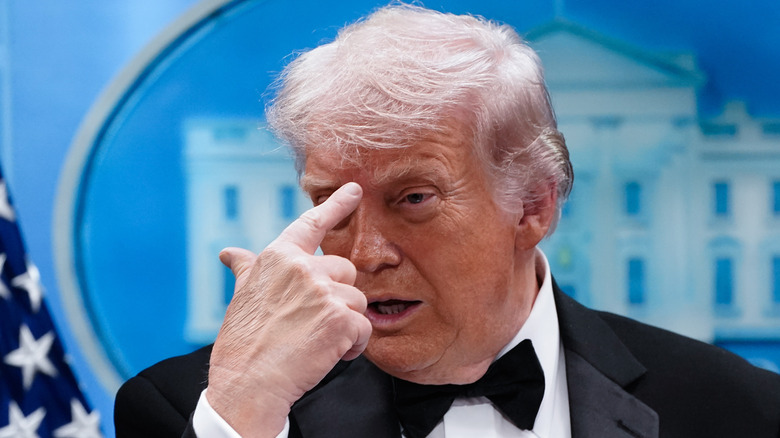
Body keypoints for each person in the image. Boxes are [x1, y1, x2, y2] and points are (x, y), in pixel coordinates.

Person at [114, 4, 780, 438]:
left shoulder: (739, 411)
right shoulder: (197, 411)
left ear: (533, 206)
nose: (366, 253)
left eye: (413, 199)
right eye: (334, 205)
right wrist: (247, 411)